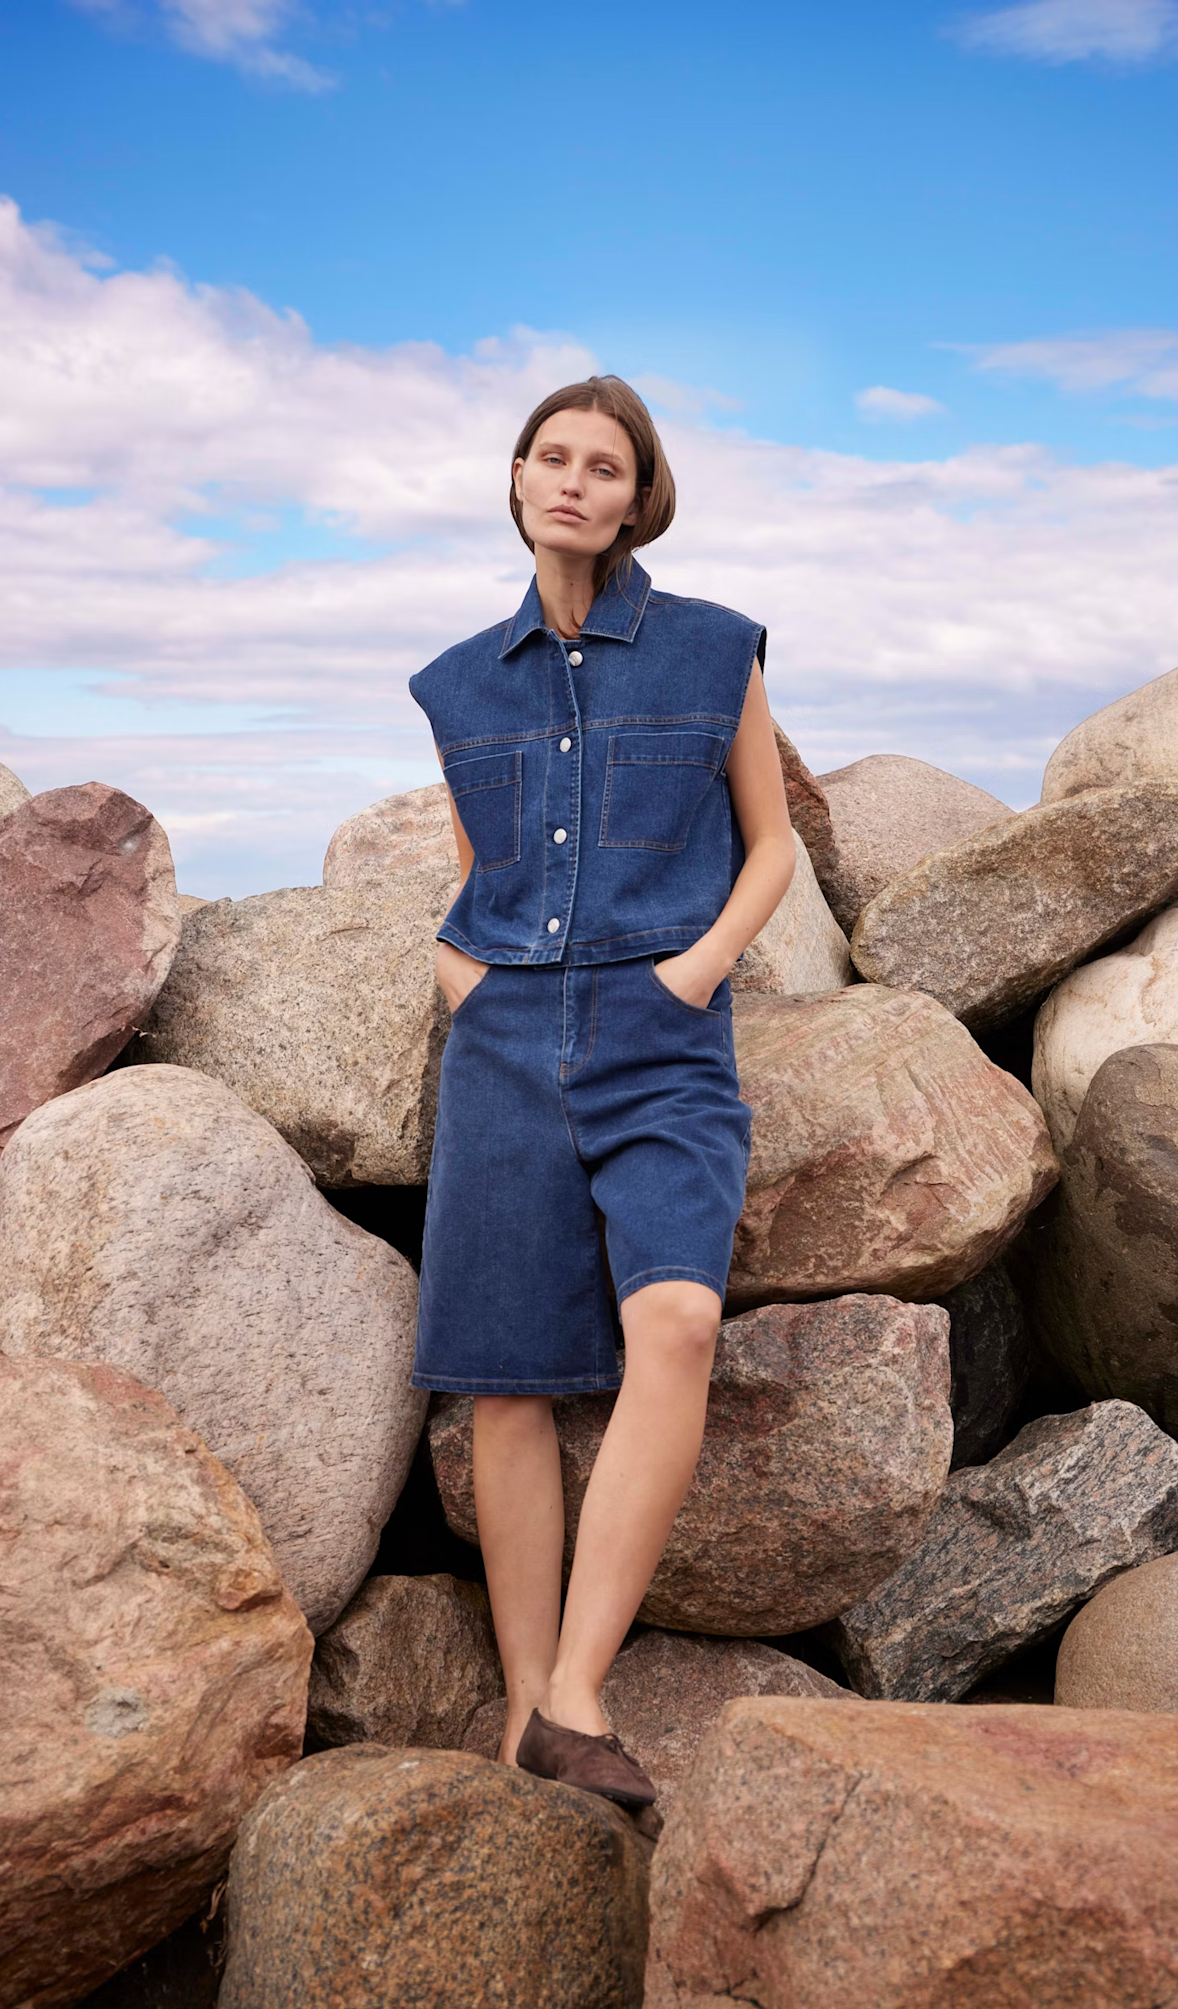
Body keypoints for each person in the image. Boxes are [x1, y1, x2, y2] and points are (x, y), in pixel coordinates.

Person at [409, 375, 795, 1807]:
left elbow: (771, 846)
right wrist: (467, 982)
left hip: (663, 1037)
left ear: (641, 498)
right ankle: (533, 1716)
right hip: (506, 1037)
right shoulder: (455, 684)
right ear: (517, 481)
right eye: (551, 457)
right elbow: (477, 867)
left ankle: (579, 1689)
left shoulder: (714, 649)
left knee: (677, 1321)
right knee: (509, 1385)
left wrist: (692, 974)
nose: (574, 480)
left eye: (605, 465)